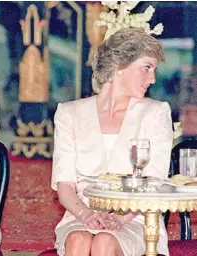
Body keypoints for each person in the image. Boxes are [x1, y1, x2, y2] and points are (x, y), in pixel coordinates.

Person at [52, 28, 173, 256]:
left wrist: (120, 217)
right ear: (119, 67)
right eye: (146, 68)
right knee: (78, 239)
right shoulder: (69, 113)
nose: (153, 79)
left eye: (154, 70)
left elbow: (154, 182)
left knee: (104, 242)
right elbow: (65, 186)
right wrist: (86, 215)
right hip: (80, 215)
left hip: (136, 219)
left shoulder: (156, 112)